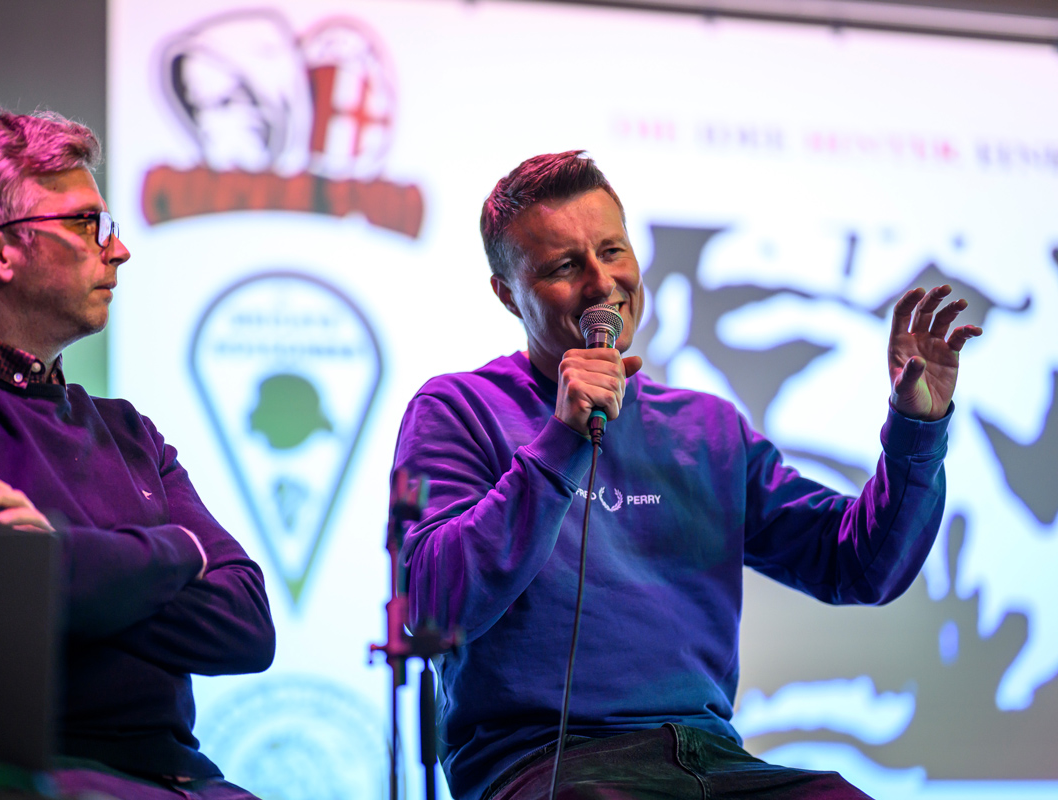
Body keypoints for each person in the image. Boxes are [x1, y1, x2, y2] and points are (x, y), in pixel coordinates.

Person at [391, 150, 982, 800]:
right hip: (546, 768)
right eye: (565, 266)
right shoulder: (458, 410)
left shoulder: (708, 429)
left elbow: (859, 566)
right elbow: (430, 608)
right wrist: (561, 439)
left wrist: (917, 428)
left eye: (612, 251)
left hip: (711, 761)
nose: (601, 283)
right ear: (508, 294)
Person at [0, 108, 275, 800]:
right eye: (88, 224)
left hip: (188, 781)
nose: (118, 250)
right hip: (34, 776)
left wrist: (67, 556)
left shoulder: (129, 431)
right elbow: (4, 605)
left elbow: (247, 628)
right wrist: (175, 552)